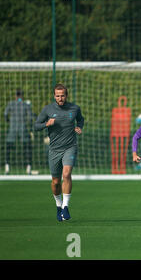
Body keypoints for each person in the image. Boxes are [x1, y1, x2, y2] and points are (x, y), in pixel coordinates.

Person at [35, 84, 84, 222]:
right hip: (54, 150)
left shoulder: (74, 108)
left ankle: (65, 207)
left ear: (66, 95)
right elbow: (36, 125)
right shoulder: (48, 109)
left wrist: (79, 127)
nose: (60, 98)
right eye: (57, 95)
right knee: (56, 182)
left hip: (70, 147)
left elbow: (81, 119)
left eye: (62, 95)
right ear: (54, 96)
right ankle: (58, 206)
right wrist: (46, 124)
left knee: (67, 173)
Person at [4, 89, 34, 175]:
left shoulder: (11, 103)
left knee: (8, 147)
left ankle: (7, 167)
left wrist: (9, 121)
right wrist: (29, 126)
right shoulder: (25, 104)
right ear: (22, 96)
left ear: (15, 96)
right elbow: (30, 117)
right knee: (27, 147)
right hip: (23, 128)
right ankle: (28, 168)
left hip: (12, 128)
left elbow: (5, 114)